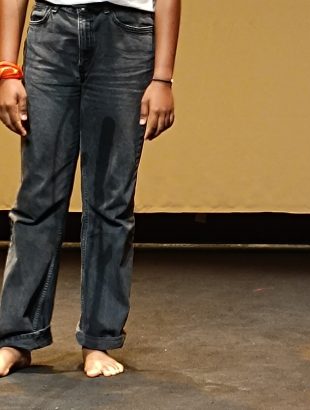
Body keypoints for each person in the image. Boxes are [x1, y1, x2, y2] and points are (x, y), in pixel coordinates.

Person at [0, 0, 180, 378]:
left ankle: (99, 340)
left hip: (127, 34)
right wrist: (7, 68)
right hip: (52, 29)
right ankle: (17, 337)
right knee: (38, 197)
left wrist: (163, 78)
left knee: (110, 200)